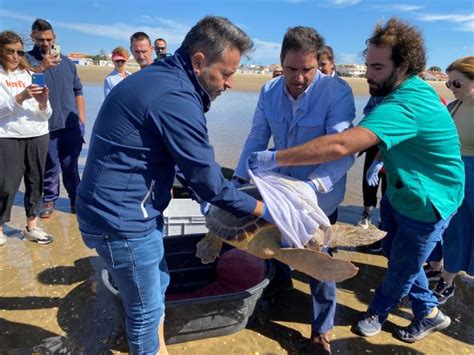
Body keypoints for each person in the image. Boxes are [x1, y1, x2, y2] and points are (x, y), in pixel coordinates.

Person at [248, 17, 464, 343]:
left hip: (430, 200)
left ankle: (378, 311)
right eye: (367, 65)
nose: (367, 74)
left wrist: (275, 158)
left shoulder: (406, 102)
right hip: (400, 189)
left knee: (403, 267)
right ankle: (429, 311)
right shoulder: (390, 94)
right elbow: (386, 140)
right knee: (397, 252)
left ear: (403, 66)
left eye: (376, 67)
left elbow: (341, 145)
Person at [76, 16, 272, 354]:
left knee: (159, 286)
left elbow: (184, 166)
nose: (230, 84)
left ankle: (159, 349)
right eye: (225, 73)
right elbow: (208, 181)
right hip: (122, 220)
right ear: (199, 62)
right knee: (145, 310)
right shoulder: (175, 96)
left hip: (122, 210)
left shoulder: (163, 77)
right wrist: (264, 210)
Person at [232, 26, 355, 354]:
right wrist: (238, 182)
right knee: (272, 243)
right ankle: (279, 286)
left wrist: (309, 188)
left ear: (319, 64)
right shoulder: (269, 91)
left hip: (317, 194)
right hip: (276, 190)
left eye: (307, 70)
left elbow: (342, 152)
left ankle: (322, 328)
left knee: (318, 260)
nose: (298, 78)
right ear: (281, 61)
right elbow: (257, 138)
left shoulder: (337, 92)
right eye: (291, 69)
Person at [26, 19, 85, 218]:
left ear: (55, 38)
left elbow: (78, 90)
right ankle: (50, 199)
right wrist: (42, 67)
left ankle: (76, 200)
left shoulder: (67, 63)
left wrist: (81, 119)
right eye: (40, 39)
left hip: (71, 125)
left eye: (49, 39)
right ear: (33, 37)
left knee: (71, 166)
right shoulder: (27, 62)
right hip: (44, 125)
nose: (45, 43)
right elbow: (24, 87)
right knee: (49, 166)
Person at [0, 31, 53, 245]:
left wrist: (42, 101)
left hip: (38, 133)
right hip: (8, 135)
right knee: (6, 184)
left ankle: (32, 225)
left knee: (35, 181)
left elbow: (46, 113)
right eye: (10, 51)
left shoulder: (30, 74)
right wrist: (20, 97)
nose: (15, 56)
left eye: (19, 52)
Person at [431, 56, 474, 304]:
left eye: (456, 83)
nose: (452, 89)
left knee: (460, 229)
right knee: (442, 224)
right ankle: (436, 265)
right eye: (449, 85)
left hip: (470, 177)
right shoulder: (452, 108)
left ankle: (448, 281)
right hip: (449, 173)